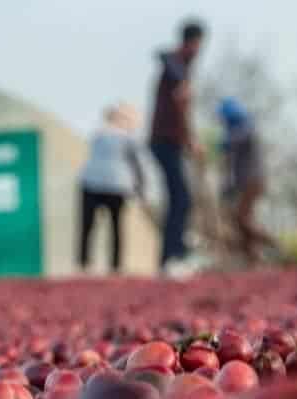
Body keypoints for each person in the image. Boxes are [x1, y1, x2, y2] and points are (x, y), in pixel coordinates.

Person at [149, 19, 206, 276]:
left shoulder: (181, 66)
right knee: (181, 198)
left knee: (179, 198)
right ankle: (173, 257)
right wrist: (191, 139)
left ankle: (170, 256)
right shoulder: (176, 64)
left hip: (170, 141)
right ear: (193, 42)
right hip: (164, 140)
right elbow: (181, 102)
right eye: (198, 44)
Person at [77, 103, 146, 273]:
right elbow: (137, 164)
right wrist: (141, 187)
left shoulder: (97, 134)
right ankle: (114, 266)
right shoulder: (126, 137)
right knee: (115, 227)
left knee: (88, 226)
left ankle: (85, 263)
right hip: (115, 185)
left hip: (93, 183)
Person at [217, 97, 279, 262]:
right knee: (241, 221)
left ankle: (273, 243)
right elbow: (229, 162)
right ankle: (253, 258)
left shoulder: (245, 128)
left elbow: (229, 143)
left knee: (241, 218)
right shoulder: (238, 131)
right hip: (245, 183)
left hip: (253, 181)